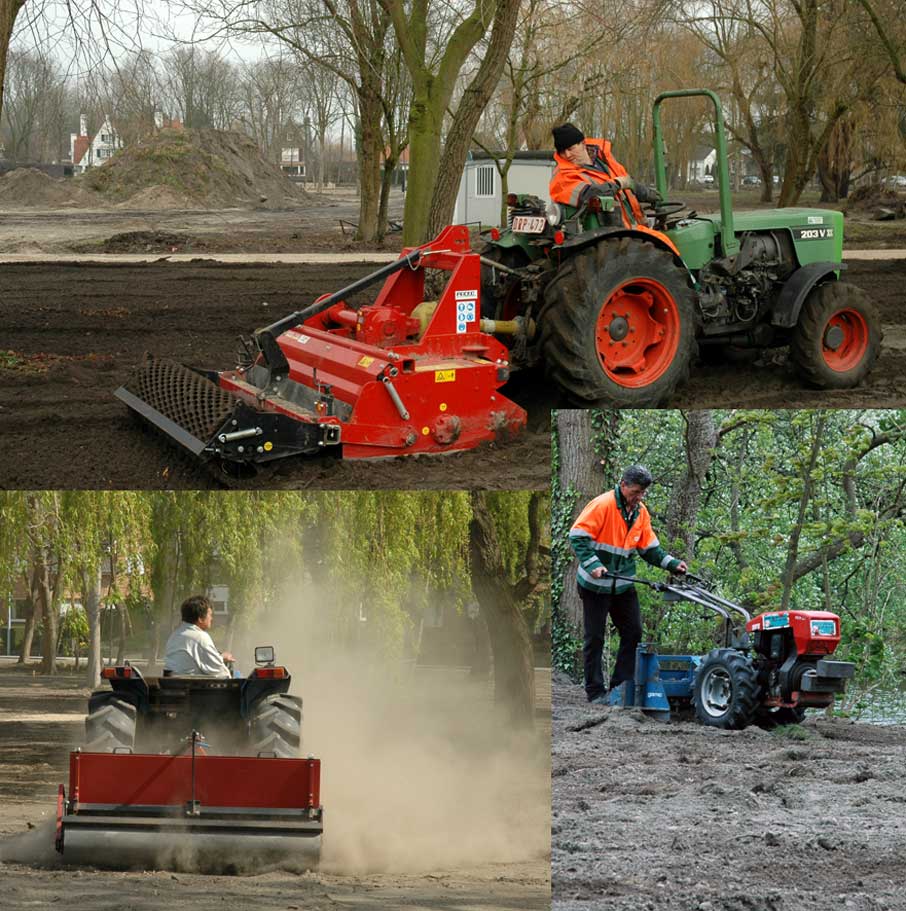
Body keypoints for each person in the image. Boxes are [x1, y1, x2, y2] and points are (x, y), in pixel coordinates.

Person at [569, 465, 687, 704]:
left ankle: (619, 687)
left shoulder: (641, 513)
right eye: (635, 492)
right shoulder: (602, 505)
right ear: (623, 485)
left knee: (633, 631)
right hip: (595, 584)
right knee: (595, 637)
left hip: (622, 584)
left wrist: (672, 563)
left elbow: (649, 548)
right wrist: (594, 564)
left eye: (642, 493)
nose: (639, 497)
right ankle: (595, 692)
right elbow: (577, 536)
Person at [549, 123, 670, 244]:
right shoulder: (562, 177)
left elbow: (627, 181)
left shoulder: (604, 159)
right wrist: (618, 183)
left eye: (570, 149)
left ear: (582, 143)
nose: (567, 155)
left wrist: (646, 193)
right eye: (562, 152)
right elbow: (590, 194)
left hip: (632, 229)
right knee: (666, 244)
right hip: (607, 238)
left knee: (665, 240)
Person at [163, 595, 235, 678]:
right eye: (210, 615)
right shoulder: (200, 637)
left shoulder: (174, 635)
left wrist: (220, 658)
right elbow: (217, 669)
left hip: (173, 684)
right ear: (200, 618)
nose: (212, 618)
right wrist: (223, 658)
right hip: (193, 687)